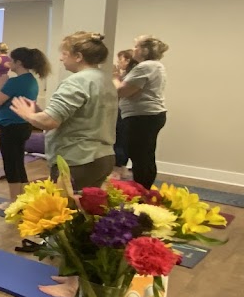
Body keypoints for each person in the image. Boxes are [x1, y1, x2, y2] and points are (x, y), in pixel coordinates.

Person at [10, 32, 117, 190]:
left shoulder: (77, 81)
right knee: (88, 204)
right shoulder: (104, 79)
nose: (61, 58)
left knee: (65, 205)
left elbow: (49, 121)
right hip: (103, 157)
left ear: (78, 56)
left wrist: (28, 115)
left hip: (78, 159)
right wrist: (39, 112)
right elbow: (83, 116)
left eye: (64, 54)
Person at [0, 47, 51, 197]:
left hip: (10, 127)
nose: (9, 62)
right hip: (24, 126)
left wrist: (0, 86)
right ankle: (21, 199)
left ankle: (13, 201)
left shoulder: (14, 82)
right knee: (18, 162)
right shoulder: (32, 80)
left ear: (18, 63)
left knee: (11, 165)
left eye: (11, 60)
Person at [115, 35, 169, 189]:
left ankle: (142, 191)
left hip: (142, 117)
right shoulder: (155, 66)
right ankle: (144, 189)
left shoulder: (145, 67)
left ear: (145, 50)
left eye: (136, 46)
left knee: (140, 157)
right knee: (144, 155)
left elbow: (122, 91)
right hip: (149, 116)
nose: (133, 49)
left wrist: (114, 77)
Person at [112, 49, 138, 180]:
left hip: (124, 111)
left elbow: (120, 91)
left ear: (128, 60)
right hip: (123, 110)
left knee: (120, 138)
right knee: (121, 138)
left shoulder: (131, 76)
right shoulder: (128, 75)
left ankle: (118, 167)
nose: (118, 63)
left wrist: (115, 77)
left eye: (120, 59)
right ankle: (120, 166)